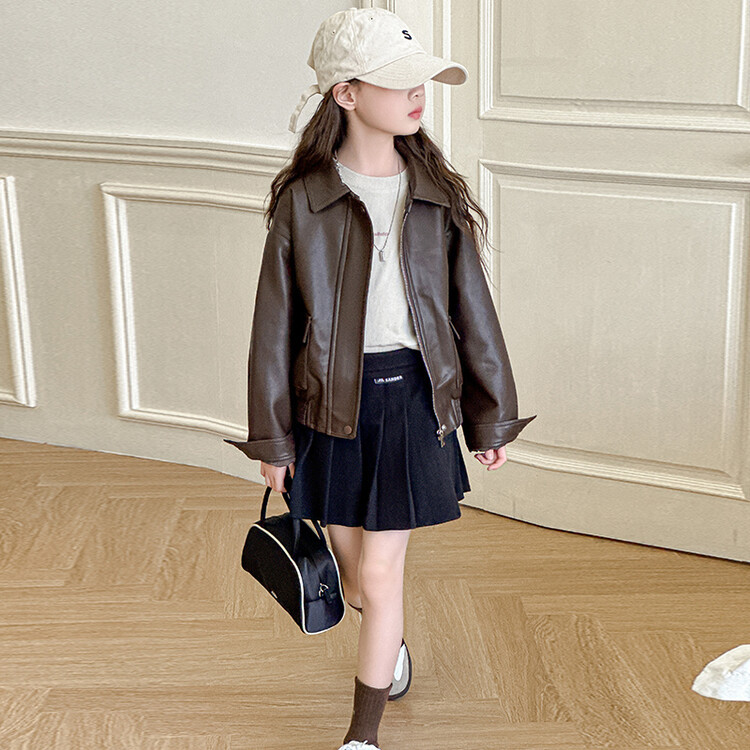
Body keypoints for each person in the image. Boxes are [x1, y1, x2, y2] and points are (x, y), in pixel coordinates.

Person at [225, 8, 537, 750]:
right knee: (358, 577)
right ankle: (387, 641)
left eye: (422, 80)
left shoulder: (435, 193)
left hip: (412, 402)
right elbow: (273, 328)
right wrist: (272, 438)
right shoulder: (304, 200)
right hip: (328, 408)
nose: (418, 94)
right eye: (399, 82)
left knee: (384, 573)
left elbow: (473, 311)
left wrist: (490, 415)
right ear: (347, 94)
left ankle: (361, 736)